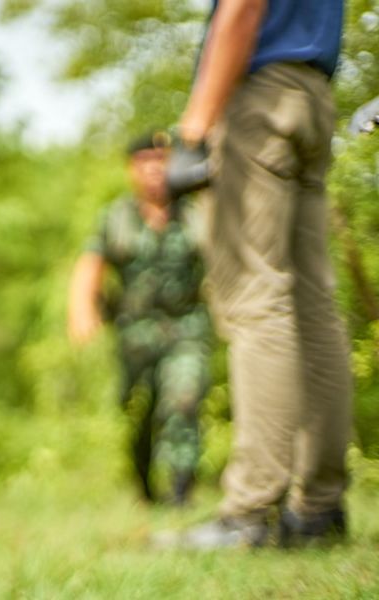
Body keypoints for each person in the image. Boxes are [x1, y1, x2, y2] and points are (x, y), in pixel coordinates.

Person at [157, 0, 351, 548]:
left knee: (255, 298)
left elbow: (243, 9)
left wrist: (193, 132)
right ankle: (320, 507)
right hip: (314, 94)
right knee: (315, 307)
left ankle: (250, 511)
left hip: (260, 95)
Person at [68, 133, 211, 507]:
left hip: (186, 327)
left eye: (162, 160)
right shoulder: (117, 216)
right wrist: (82, 309)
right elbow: (91, 263)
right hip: (135, 333)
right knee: (139, 412)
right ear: (132, 169)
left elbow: (220, 261)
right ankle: (145, 486)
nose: (154, 169)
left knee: (184, 399)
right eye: (145, 161)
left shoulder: (195, 214)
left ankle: (181, 492)